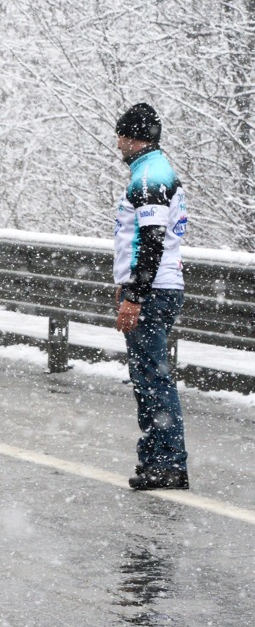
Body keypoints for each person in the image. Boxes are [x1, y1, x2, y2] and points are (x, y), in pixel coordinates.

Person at [112, 102, 189, 490]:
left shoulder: (148, 177)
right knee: (150, 376)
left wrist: (135, 295)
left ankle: (167, 464)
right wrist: (125, 284)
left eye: (120, 136)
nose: (118, 143)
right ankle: (157, 460)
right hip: (160, 285)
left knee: (152, 379)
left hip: (154, 289)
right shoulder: (156, 169)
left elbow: (152, 241)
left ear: (130, 137)